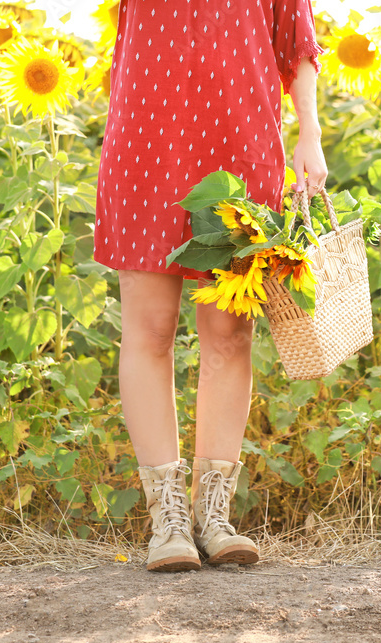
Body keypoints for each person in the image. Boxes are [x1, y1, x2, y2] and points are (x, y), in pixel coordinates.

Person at [92, 0, 327, 571]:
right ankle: (167, 522)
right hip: (145, 136)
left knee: (230, 334)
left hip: (241, 140)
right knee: (149, 331)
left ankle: (214, 516)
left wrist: (310, 135)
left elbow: (296, 39)